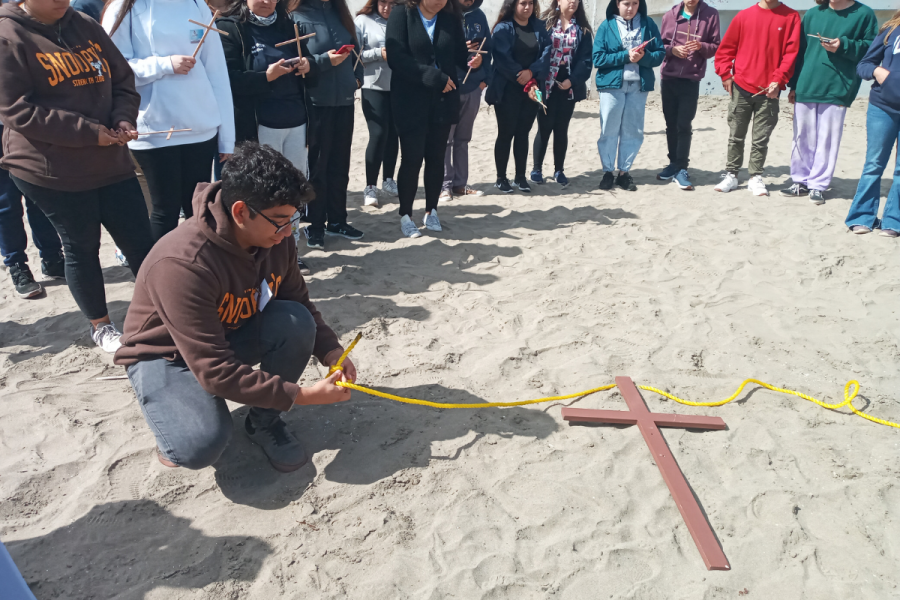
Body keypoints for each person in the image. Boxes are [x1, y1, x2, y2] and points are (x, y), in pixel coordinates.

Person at [114, 142, 357, 472]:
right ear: (241, 211)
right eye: (280, 221)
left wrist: (332, 353)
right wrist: (301, 396)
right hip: (166, 356)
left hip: (227, 335)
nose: (288, 232)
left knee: (296, 321)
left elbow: (299, 301)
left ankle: (263, 422)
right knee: (200, 445)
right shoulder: (182, 263)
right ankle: (176, 419)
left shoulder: (276, 239)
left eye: (292, 219)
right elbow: (214, 370)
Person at [0, 0, 154, 351]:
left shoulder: (83, 24)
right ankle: (101, 325)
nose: (61, 2)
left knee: (140, 241)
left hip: (110, 159)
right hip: (51, 168)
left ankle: (164, 308)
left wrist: (124, 118)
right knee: (81, 245)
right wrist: (88, 132)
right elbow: (16, 110)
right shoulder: (8, 33)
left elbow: (123, 80)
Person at [103, 0, 236, 242]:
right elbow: (112, 69)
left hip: (200, 127)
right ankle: (160, 275)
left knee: (199, 210)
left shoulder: (197, 5)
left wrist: (226, 136)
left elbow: (217, 72)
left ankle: (199, 272)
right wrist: (164, 65)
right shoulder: (125, 8)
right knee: (164, 211)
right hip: (154, 130)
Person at [216, 0, 316, 274]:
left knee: (293, 191)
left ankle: (290, 254)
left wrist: (308, 65)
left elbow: (307, 63)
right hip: (259, 125)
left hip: (296, 119)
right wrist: (265, 77)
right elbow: (227, 79)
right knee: (264, 194)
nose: (266, 0)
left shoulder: (290, 24)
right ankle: (261, 257)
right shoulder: (230, 27)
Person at [386, 0, 481, 237]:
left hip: (443, 100)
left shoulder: (450, 16)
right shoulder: (402, 13)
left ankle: (432, 210)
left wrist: (473, 60)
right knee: (411, 158)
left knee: (437, 157)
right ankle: (406, 214)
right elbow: (396, 58)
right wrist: (432, 76)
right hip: (410, 101)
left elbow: (458, 55)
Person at [784, 0, 876, 204]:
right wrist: (794, 84)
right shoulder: (812, 14)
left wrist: (844, 45)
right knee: (801, 135)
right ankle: (799, 181)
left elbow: (872, 49)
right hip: (807, 84)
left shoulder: (864, 14)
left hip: (839, 87)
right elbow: (799, 52)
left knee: (827, 138)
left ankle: (818, 185)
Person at [292, 0, 365, 251]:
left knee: (340, 165)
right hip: (316, 102)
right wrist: (324, 61)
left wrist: (357, 79)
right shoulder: (297, 16)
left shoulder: (339, 13)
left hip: (344, 101)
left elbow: (355, 51)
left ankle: (338, 221)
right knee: (318, 168)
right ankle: (315, 225)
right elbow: (296, 63)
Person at [713, 0, 800, 196]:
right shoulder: (743, 16)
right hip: (741, 87)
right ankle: (732, 174)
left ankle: (755, 176)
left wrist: (779, 81)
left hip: (769, 91)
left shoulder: (791, 16)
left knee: (760, 139)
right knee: (736, 135)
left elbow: (791, 54)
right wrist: (725, 74)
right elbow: (726, 49)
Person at [593, 0, 664, 192]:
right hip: (612, 86)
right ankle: (608, 172)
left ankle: (624, 173)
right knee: (609, 129)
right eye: (626, 3)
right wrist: (626, 56)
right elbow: (597, 57)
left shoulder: (648, 23)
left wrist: (644, 57)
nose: (631, 8)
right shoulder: (606, 25)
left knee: (633, 130)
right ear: (617, 4)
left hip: (638, 86)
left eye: (635, 3)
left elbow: (659, 54)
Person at [844, 12, 900, 237]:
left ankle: (893, 221)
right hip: (882, 107)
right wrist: (878, 71)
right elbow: (864, 65)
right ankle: (861, 217)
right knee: (874, 164)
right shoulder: (890, 30)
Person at [486, 0, 551, 194]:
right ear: (513, 5)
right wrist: (520, 75)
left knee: (523, 133)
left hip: (531, 89)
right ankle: (501, 178)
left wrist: (531, 73)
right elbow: (502, 58)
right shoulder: (503, 28)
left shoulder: (539, 26)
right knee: (506, 133)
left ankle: (520, 177)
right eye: (522, 3)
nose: (527, 7)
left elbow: (546, 54)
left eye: (530, 3)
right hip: (507, 88)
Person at [657, 0, 720, 191]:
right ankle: (673, 164)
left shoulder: (711, 14)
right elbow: (661, 46)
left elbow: (715, 46)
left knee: (684, 124)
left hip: (691, 79)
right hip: (668, 77)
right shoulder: (670, 15)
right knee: (670, 124)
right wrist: (672, 50)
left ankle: (682, 168)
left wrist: (701, 46)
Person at [529, 0, 592, 188]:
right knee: (544, 126)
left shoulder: (583, 29)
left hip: (568, 83)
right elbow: (536, 52)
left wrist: (572, 80)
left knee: (561, 127)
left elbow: (585, 59)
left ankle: (559, 170)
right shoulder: (544, 23)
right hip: (546, 82)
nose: (572, 1)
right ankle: (537, 169)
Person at [0, 122, 65, 299]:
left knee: (40, 196)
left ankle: (53, 258)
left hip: (27, 124)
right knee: (6, 205)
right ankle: (17, 266)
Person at [441, 0, 492, 200]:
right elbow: (436, 48)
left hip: (473, 87)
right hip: (449, 86)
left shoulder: (479, 16)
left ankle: (460, 184)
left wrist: (483, 79)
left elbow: (489, 49)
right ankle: (444, 185)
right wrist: (460, 49)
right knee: (445, 139)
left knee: (463, 139)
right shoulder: (443, 13)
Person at [356, 0, 400, 208]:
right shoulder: (362, 21)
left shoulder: (402, 20)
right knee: (379, 134)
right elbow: (355, 56)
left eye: (392, 3)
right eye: (383, 2)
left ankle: (389, 180)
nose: (387, 8)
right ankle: (370, 186)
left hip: (399, 87)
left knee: (394, 134)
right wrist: (378, 53)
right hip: (372, 86)